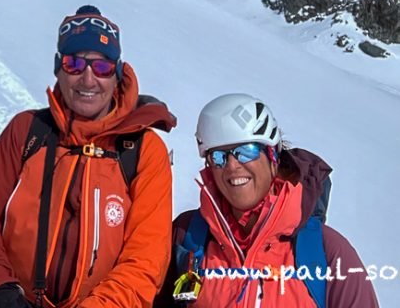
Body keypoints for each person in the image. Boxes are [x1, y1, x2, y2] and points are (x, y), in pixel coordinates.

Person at [0, 5, 176, 308]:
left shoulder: (142, 151)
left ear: (117, 73)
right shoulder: (28, 132)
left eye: (101, 67)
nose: (88, 79)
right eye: (74, 64)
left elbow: (146, 259)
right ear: (58, 68)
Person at [157, 93, 379, 307]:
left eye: (247, 150)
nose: (232, 166)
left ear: (273, 156)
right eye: (218, 156)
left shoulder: (327, 251)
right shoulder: (187, 236)